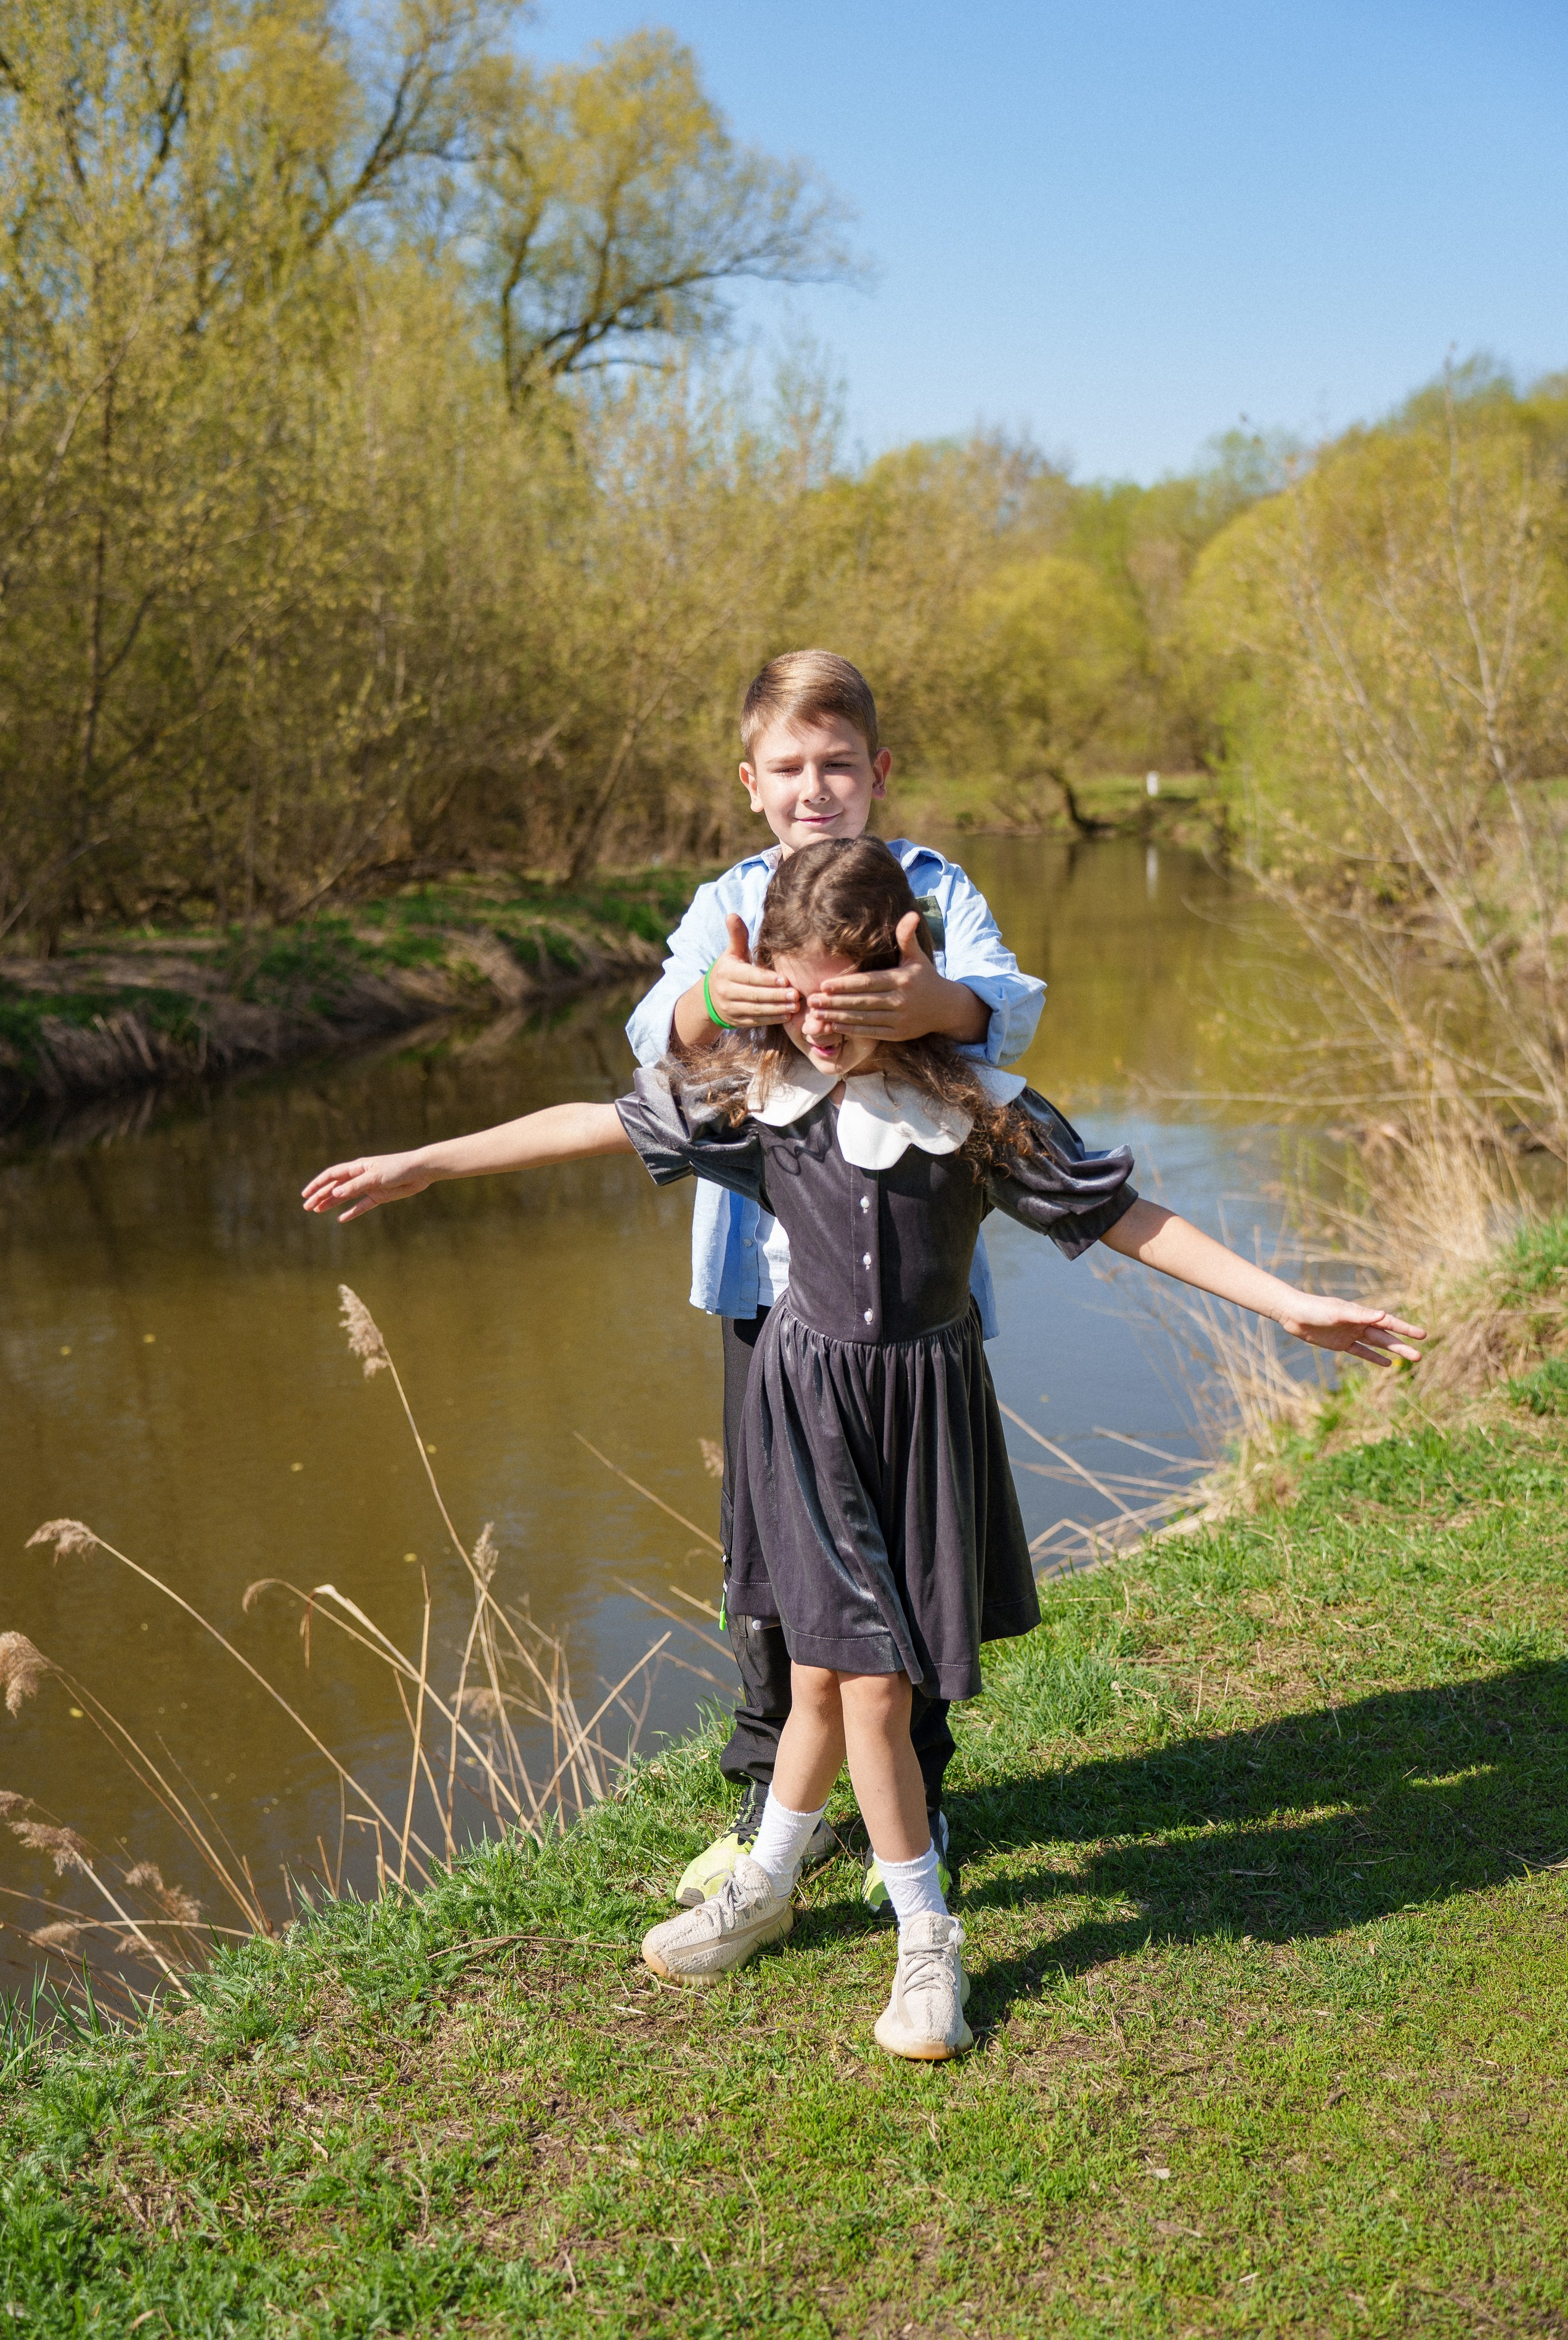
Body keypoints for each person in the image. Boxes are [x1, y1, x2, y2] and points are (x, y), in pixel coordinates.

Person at [302, 836, 1424, 2061]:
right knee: (860, 1684)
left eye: (839, 996)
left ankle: (781, 1885)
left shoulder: (971, 1115)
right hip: (804, 1413)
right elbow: (593, 1120)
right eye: (790, 995)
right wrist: (427, 1161)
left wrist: (1286, 1306)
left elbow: (1122, 1217)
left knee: (844, 1684)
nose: (816, 1026)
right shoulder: (755, 1095)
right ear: (758, 975)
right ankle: (919, 1934)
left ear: (901, 966)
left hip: (924, 1412)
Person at [625, 649, 1045, 1918]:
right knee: (775, 1555)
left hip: (908, 1300)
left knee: (908, 1550)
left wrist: (934, 999)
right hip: (764, 1292)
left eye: (838, 766)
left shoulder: (931, 886)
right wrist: (714, 996)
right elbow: (653, 1042)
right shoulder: (728, 901)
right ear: (752, 783)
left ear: (878, 774)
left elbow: (1007, 1010)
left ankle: (909, 1792)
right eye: (790, 769)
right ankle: (771, 1801)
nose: (817, 790)